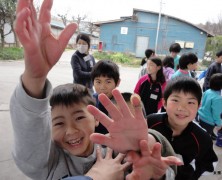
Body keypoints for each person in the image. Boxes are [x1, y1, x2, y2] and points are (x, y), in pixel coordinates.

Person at [11, 0, 182, 179]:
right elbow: (30, 137)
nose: (70, 130)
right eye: (59, 123)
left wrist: (149, 160)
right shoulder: (49, 162)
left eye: (79, 117)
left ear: (97, 119)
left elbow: (158, 168)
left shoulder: (118, 151)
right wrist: (34, 78)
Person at [147, 76, 218, 179]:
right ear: (164, 103)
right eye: (176, 100)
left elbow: (209, 165)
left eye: (190, 102)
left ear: (198, 106)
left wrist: (191, 175)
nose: (182, 108)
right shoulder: (150, 122)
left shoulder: (203, 138)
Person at [91, 60, 120, 134]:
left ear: (118, 82)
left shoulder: (122, 104)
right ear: (93, 82)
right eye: (98, 82)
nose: (102, 87)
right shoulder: (90, 102)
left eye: (108, 82)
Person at [198, 73, 222, 140]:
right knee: (205, 138)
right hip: (208, 121)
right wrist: (219, 124)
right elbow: (216, 113)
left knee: (201, 134)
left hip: (201, 116)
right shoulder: (218, 98)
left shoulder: (208, 91)